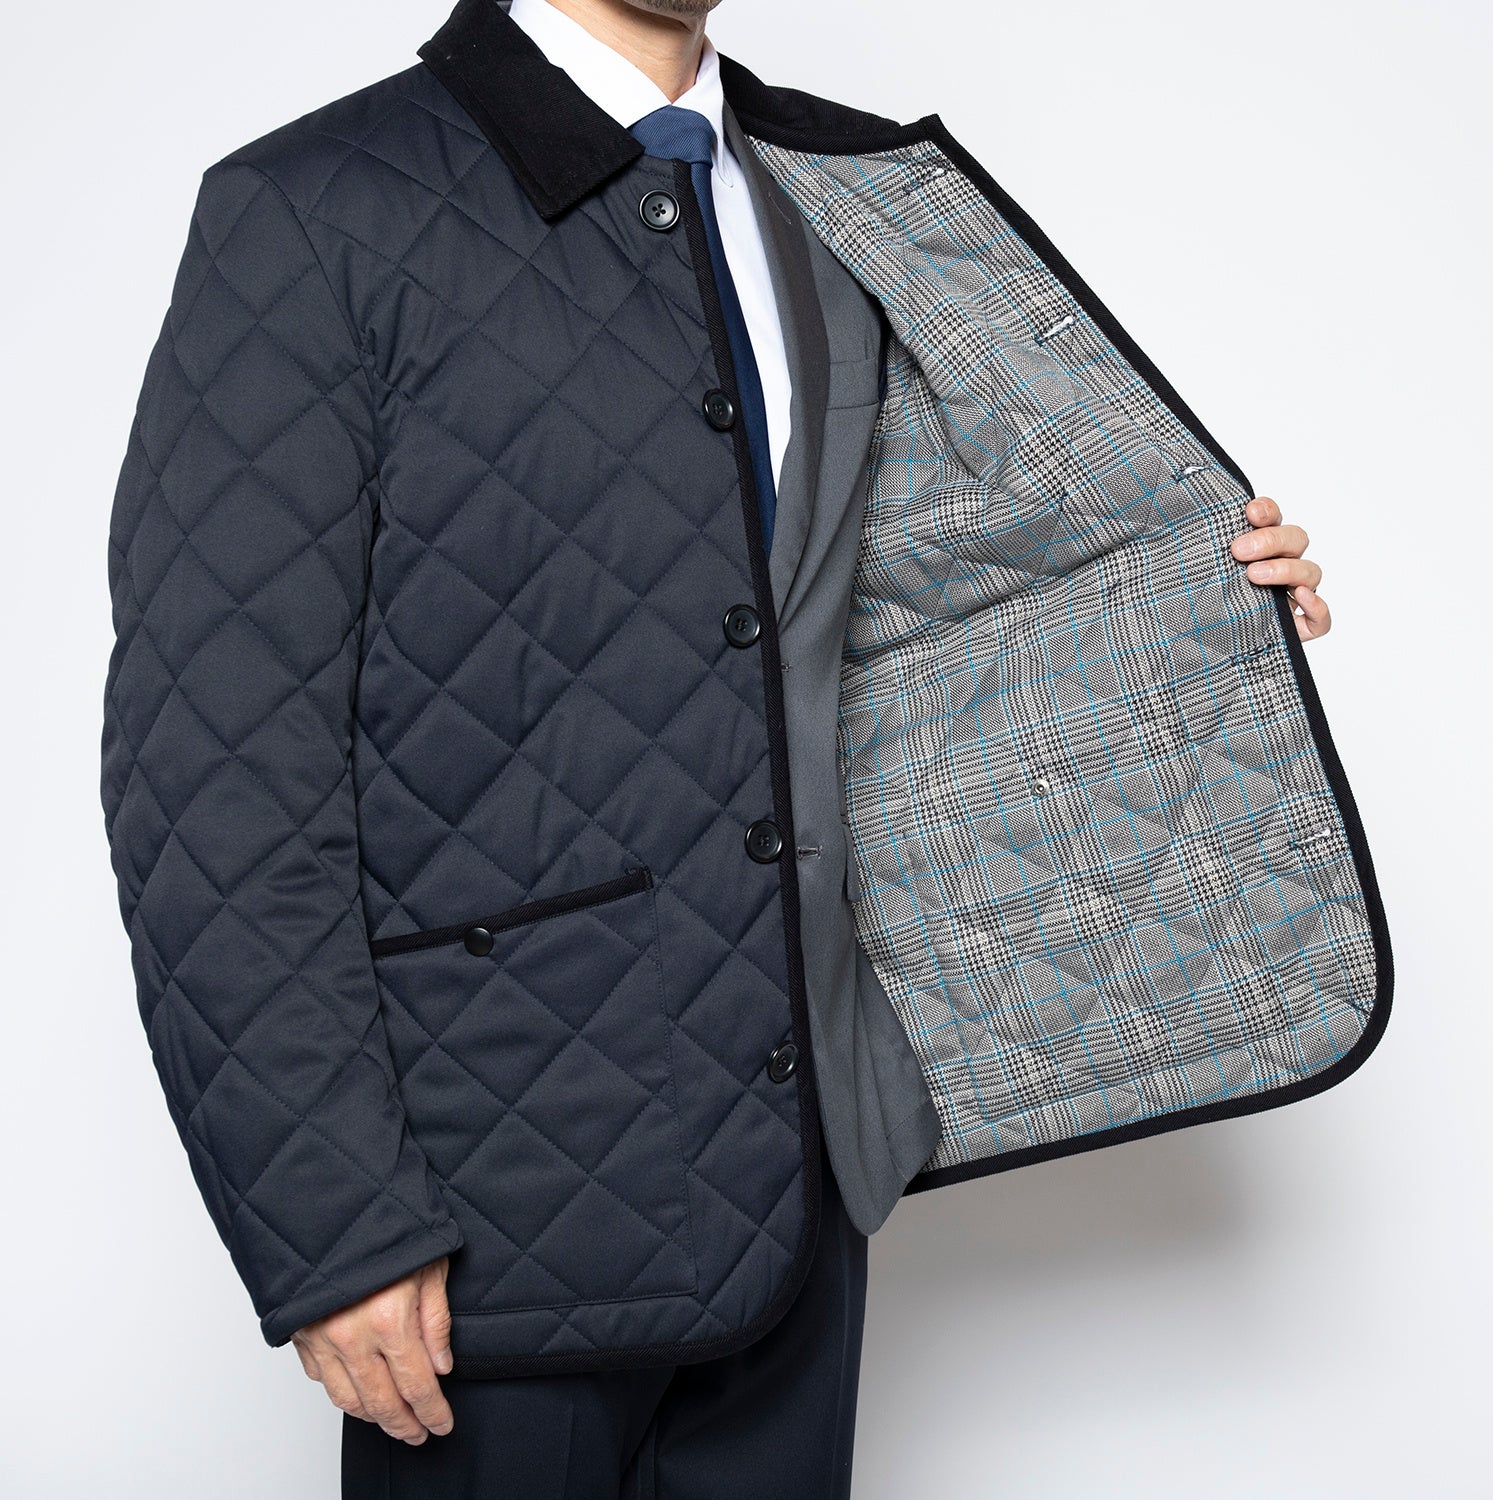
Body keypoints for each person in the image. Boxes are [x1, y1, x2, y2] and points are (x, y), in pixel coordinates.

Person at [100, 1, 1349, 1495]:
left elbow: (884, 605)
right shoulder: (315, 209)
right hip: (490, 1209)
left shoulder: (846, 191)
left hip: (798, 1175)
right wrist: (333, 1221)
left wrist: (1190, 593)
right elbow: (213, 776)